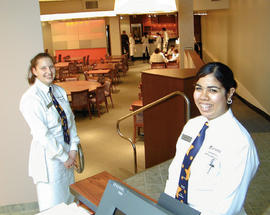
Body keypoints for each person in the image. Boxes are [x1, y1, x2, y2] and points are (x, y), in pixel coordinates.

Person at [164, 62, 259, 215]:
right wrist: (166, 207)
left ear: (229, 93)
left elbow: (227, 206)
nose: (203, 97)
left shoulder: (239, 143)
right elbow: (175, 171)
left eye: (213, 90)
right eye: (198, 88)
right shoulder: (192, 125)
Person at [20, 53, 80, 212]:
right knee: (53, 206)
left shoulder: (59, 91)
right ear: (34, 71)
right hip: (50, 160)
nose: (49, 71)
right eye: (43, 68)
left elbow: (70, 121)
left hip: (68, 155)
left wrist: (73, 149)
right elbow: (42, 135)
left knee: (69, 201)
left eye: (51, 66)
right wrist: (63, 156)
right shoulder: (31, 99)